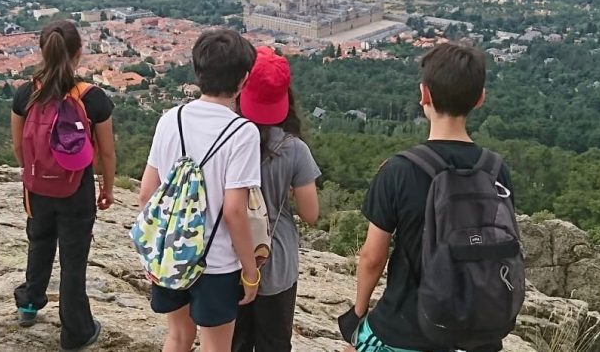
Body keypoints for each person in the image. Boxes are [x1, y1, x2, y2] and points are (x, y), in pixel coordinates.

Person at [342, 44, 517, 352]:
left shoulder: (398, 170)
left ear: (424, 95)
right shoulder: (496, 169)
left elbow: (372, 258)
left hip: (405, 330)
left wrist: (357, 312)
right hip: (479, 331)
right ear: (480, 99)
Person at [140, 29, 261, 352]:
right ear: (244, 79)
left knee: (177, 337)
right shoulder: (242, 132)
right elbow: (235, 210)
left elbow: (146, 192)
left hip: (171, 254)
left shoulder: (170, 119)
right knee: (215, 347)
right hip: (216, 262)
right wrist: (250, 272)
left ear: (198, 72)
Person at [11, 20, 117, 351]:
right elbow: (107, 152)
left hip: (37, 187)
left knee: (39, 242)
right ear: (78, 53)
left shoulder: (26, 93)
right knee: (73, 259)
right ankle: (75, 330)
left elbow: (17, 147)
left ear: (43, 51)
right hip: (76, 189)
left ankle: (29, 303)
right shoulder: (93, 97)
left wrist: (34, 172)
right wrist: (107, 187)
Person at [232, 47, 321, 352]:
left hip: (229, 256)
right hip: (276, 260)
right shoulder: (293, 149)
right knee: (274, 344)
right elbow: (311, 214)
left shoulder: (226, 137)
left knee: (235, 341)